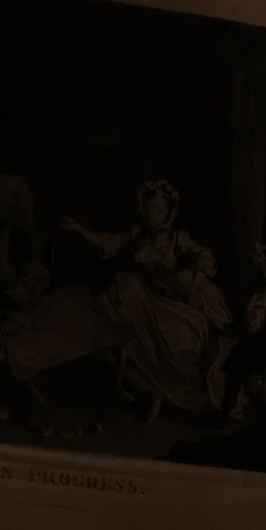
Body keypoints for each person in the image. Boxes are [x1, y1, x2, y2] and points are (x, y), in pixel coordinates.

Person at [62, 180, 232, 419]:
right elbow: (110, 242)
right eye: (150, 208)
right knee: (123, 290)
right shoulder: (137, 234)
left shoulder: (177, 238)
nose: (153, 214)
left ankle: (161, 393)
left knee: (180, 342)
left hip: (174, 300)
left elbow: (204, 257)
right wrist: (80, 230)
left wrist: (194, 283)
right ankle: (143, 386)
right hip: (148, 299)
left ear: (169, 213)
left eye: (159, 209)